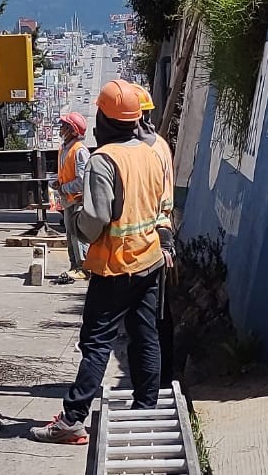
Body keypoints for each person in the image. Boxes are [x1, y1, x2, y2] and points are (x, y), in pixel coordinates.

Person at [30, 80, 170, 446]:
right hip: (149, 260)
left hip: (115, 266)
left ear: (103, 120)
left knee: (96, 344)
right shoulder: (153, 152)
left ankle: (73, 419)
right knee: (145, 336)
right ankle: (145, 409)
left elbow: (94, 221)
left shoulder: (104, 160)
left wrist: (73, 220)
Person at [131, 82, 178, 382]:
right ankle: (161, 376)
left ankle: (156, 381)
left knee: (150, 319)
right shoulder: (159, 143)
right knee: (158, 315)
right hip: (162, 234)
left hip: (152, 240)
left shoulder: (145, 150)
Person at [51, 111, 89, 284]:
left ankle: (84, 267)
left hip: (78, 200)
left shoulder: (79, 150)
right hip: (68, 199)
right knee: (70, 234)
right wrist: (58, 184)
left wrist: (64, 187)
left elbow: (82, 181)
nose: (61, 129)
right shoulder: (65, 148)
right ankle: (74, 266)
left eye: (65, 126)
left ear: (72, 130)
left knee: (78, 235)